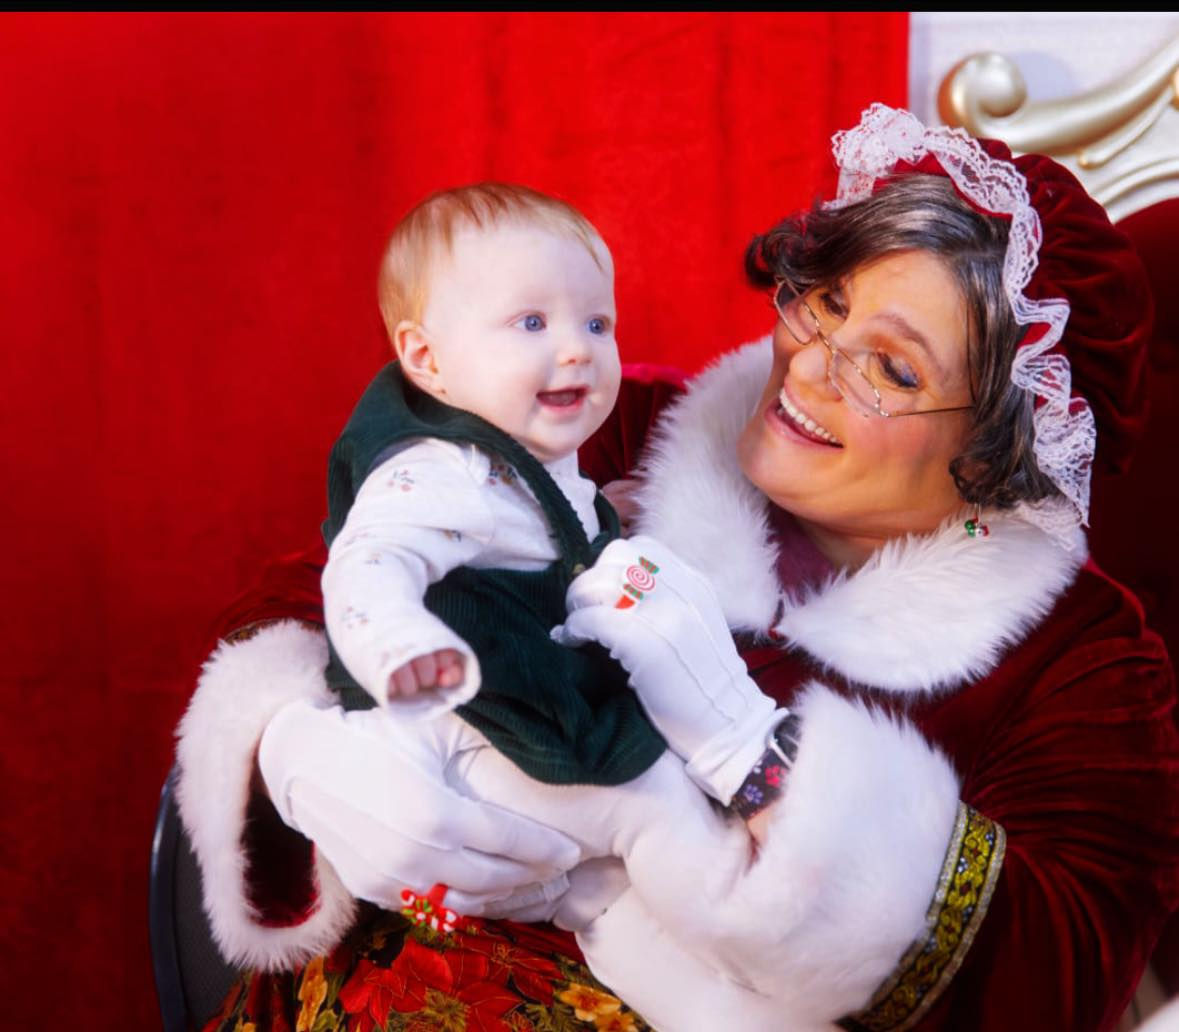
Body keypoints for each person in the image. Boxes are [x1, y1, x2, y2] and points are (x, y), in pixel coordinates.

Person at [176, 104, 1179, 1031]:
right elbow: (311, 584)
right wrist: (299, 753)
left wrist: (776, 789)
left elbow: (1063, 978)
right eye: (824, 300)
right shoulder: (617, 433)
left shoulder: (1085, 664)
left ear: (1001, 456)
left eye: (892, 367)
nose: (813, 361)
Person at [297, 180, 782, 976]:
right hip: (469, 742)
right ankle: (750, 944)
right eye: (531, 323)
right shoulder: (438, 471)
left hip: (519, 730)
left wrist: (603, 522)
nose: (576, 349)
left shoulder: (535, 463)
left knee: (615, 908)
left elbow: (540, 527)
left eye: (597, 322)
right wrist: (397, 644)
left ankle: (697, 988)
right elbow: (369, 560)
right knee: (651, 804)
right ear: (427, 359)